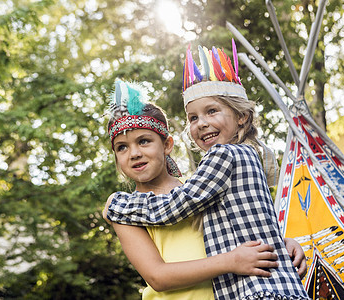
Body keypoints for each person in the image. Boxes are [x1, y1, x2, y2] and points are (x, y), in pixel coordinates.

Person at [105, 42, 310, 300]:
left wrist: (280, 244)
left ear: (167, 145)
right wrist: (231, 261)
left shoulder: (196, 186)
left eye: (144, 141)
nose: (134, 153)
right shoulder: (128, 209)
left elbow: (243, 223)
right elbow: (158, 277)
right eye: (122, 147)